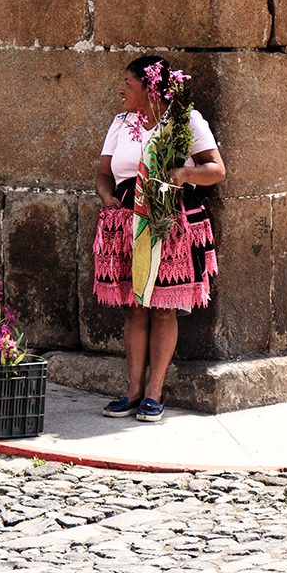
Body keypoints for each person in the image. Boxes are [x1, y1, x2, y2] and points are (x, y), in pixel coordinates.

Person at [92, 55, 225, 423]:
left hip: (169, 223)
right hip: (126, 224)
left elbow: (216, 170)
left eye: (129, 84)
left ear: (150, 88)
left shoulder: (185, 122)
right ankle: (133, 391)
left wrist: (181, 172)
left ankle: (155, 392)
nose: (121, 90)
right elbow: (104, 173)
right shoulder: (122, 124)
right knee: (135, 304)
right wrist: (108, 199)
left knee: (163, 306)